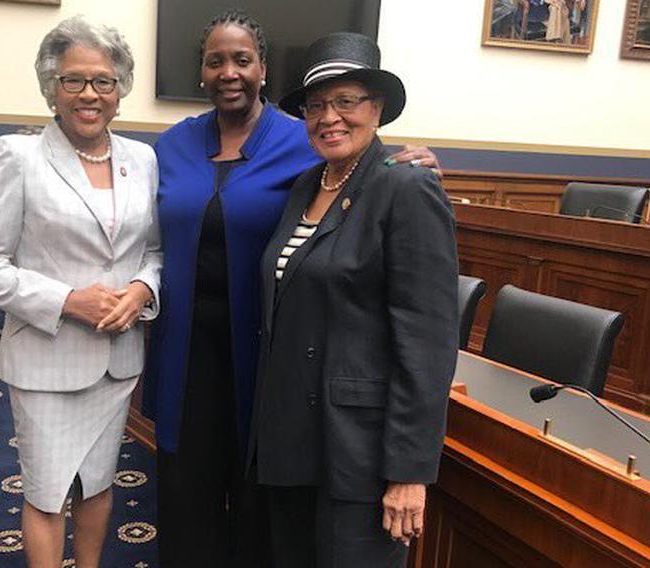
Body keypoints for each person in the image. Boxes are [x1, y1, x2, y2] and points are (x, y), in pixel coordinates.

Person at [142, 10, 442, 568]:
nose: (330, 117)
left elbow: (423, 332)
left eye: (242, 59)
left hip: (279, 372)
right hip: (194, 360)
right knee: (215, 516)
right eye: (215, 61)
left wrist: (414, 165)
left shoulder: (323, 155)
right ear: (201, 72)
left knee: (280, 530)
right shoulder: (177, 149)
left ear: (262, 69)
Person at [0, 16, 161, 568]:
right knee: (47, 494)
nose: (90, 94)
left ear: (120, 89)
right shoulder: (18, 156)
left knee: (97, 484)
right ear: (52, 88)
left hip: (117, 363)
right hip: (46, 363)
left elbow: (154, 251)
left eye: (104, 80)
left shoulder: (141, 159)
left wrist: (142, 290)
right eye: (74, 80)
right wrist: (68, 300)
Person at [251, 32, 458, 567]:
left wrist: (410, 469)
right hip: (293, 440)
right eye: (317, 105)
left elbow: (428, 339)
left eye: (347, 102)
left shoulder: (406, 187)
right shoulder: (305, 185)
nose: (330, 117)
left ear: (378, 108)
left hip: (360, 455)